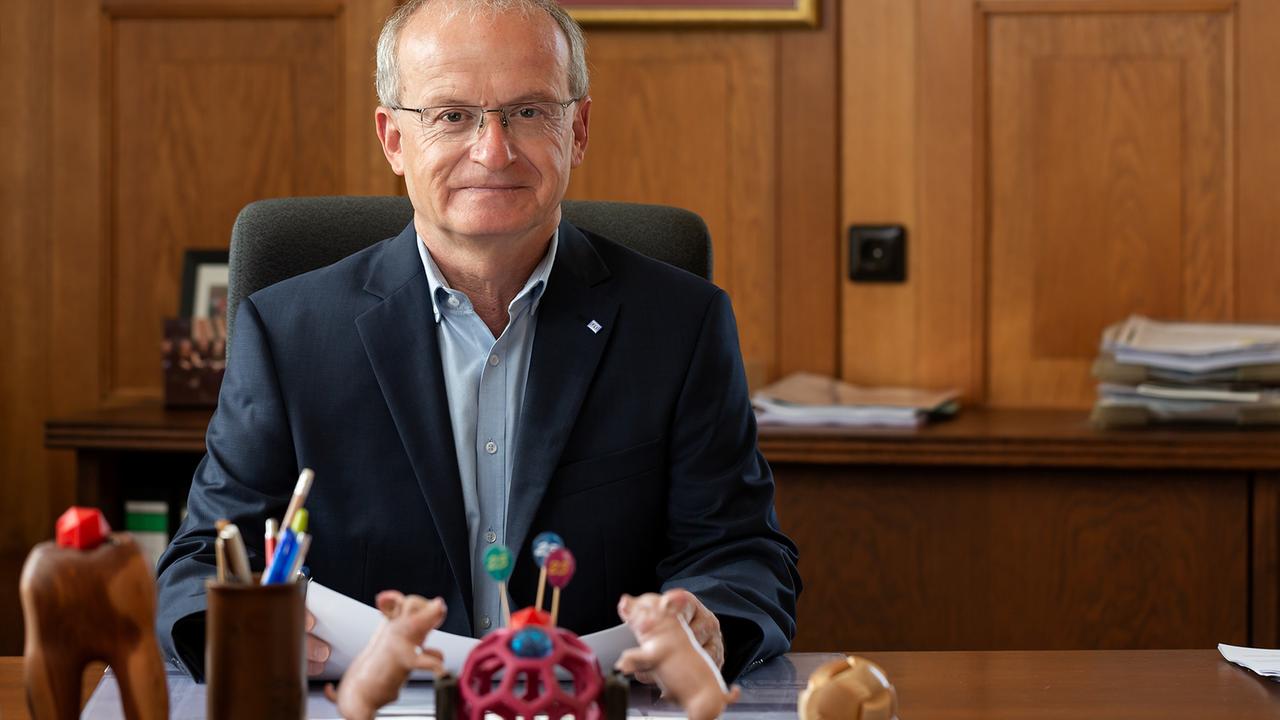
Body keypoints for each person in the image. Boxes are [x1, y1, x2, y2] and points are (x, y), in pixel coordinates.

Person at [154, 0, 800, 683]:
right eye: (451, 115)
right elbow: (202, 563)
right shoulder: (288, 335)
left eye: (528, 112)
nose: (493, 151)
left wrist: (707, 621)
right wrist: (238, 626)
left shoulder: (679, 325)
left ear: (577, 131)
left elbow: (743, 557)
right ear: (394, 140)